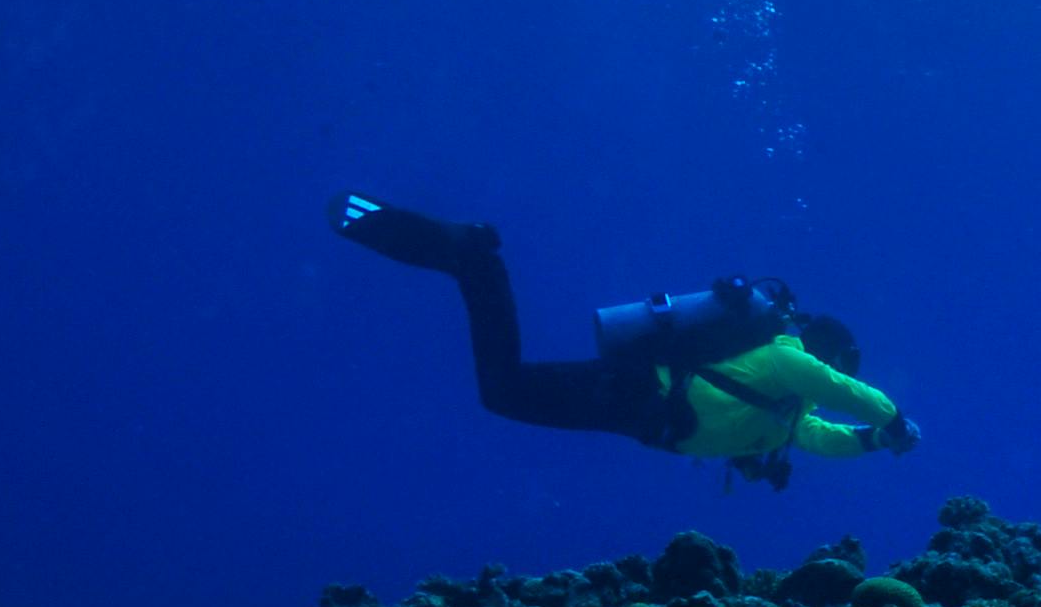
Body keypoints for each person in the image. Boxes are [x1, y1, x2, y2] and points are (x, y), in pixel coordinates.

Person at [336, 195, 917, 488]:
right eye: (845, 362)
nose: (844, 373)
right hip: (637, 391)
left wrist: (875, 441)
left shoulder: (793, 412)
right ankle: (476, 262)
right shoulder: (786, 358)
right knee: (503, 389)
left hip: (640, 417)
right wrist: (893, 419)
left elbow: (824, 439)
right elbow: (840, 389)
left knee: (502, 392)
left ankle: (471, 262)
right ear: (827, 350)